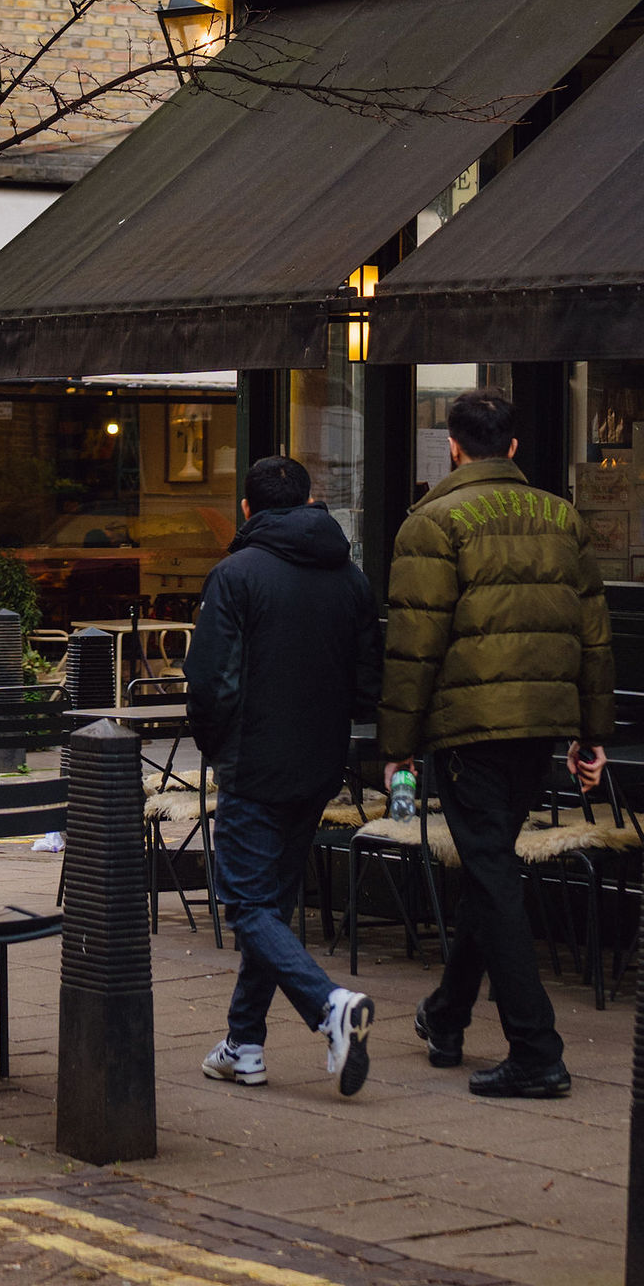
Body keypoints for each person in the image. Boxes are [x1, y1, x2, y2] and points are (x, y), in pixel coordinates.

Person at [380, 387, 613, 1100]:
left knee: (490, 874)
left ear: (453, 445)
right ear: (512, 447)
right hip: (539, 722)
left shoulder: (432, 521)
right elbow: (593, 630)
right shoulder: (562, 517)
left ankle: (537, 1050)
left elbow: (413, 646)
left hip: (469, 729)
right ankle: (445, 1015)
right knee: (490, 869)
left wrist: (397, 743)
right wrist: (590, 733)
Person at [184, 453, 384, 1097]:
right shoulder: (350, 578)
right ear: (306, 503)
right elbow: (368, 683)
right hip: (319, 763)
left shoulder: (235, 574)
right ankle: (243, 1044)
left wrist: (218, 748)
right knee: (269, 907)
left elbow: (210, 683)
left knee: (245, 904)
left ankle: (330, 1006)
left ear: (247, 509)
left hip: (254, 762)